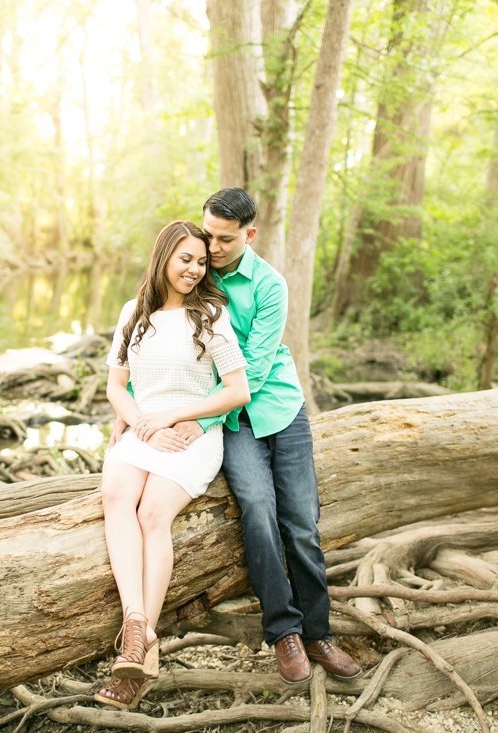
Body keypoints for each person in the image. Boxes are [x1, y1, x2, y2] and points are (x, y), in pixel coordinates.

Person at [169, 187, 362, 685]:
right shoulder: (195, 278)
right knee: (257, 507)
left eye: (224, 240)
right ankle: (284, 634)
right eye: (207, 234)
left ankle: (318, 633)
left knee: (301, 521)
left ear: (249, 235)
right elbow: (162, 338)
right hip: (232, 420)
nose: (211, 248)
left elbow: (252, 369)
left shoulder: (271, 285)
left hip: (278, 406)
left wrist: (202, 419)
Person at [95, 219, 251, 710]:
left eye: (201, 262)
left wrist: (179, 417)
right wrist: (140, 421)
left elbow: (237, 390)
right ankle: (137, 626)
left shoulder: (211, 314)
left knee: (152, 513)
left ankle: (137, 645)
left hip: (190, 432)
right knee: (117, 494)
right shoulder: (133, 313)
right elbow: (116, 386)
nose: (194, 269)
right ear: (164, 255)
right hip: (146, 428)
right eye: (186, 258)